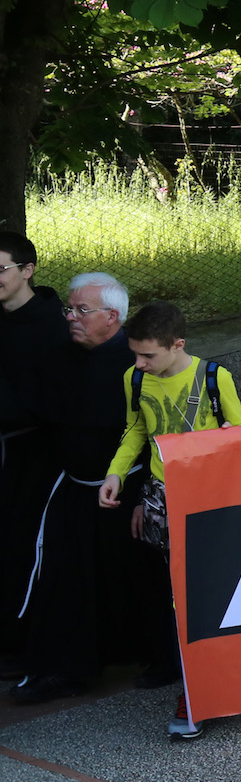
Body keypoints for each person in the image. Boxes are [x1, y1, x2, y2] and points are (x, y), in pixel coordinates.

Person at [93, 299, 241, 735]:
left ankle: (222, 684)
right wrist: (116, 475)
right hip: (165, 497)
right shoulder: (135, 378)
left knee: (212, 594)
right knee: (180, 598)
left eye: (149, 355)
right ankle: (196, 691)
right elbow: (136, 429)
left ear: (177, 344)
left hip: (212, 500)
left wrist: (224, 443)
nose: (139, 364)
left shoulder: (213, 378)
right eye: (135, 355)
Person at [13, 274, 140, 707]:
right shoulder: (59, 359)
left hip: (128, 491)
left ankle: (137, 654)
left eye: (81, 311)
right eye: (69, 309)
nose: (71, 317)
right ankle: (63, 670)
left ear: (112, 316)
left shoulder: (137, 361)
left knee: (128, 578)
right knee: (66, 580)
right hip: (70, 487)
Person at [0, 232, 67, 667]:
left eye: (0, 270)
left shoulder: (52, 325)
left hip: (34, 452)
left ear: (27, 271)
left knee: (21, 543)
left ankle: (18, 641)